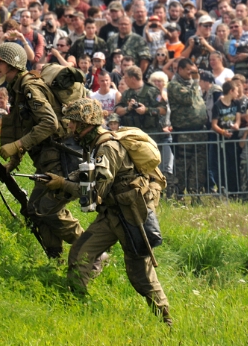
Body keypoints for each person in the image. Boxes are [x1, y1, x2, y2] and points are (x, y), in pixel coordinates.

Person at [41, 98, 171, 326]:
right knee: (80, 253)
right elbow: (88, 178)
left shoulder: (107, 148)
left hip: (131, 217)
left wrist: (62, 184)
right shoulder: (95, 145)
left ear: (84, 123)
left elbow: (93, 193)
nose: (69, 127)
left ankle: (166, 321)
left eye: (72, 122)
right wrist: (63, 180)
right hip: (111, 214)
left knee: (141, 276)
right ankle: (74, 307)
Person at [0, 42, 83, 259]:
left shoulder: (29, 88)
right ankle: (55, 258)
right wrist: (15, 159)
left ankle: (92, 249)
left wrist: (18, 145)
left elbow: (49, 123)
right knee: (34, 209)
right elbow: (23, 124)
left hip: (58, 157)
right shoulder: (18, 88)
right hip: (45, 157)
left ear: (11, 64)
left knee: (46, 209)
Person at [167, 58, 209, 194]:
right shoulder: (174, 85)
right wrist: (196, 81)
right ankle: (178, 194)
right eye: (188, 70)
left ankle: (195, 193)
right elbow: (188, 99)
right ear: (179, 69)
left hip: (199, 131)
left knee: (199, 164)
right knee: (182, 165)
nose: (191, 74)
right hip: (184, 132)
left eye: (193, 70)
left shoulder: (192, 84)